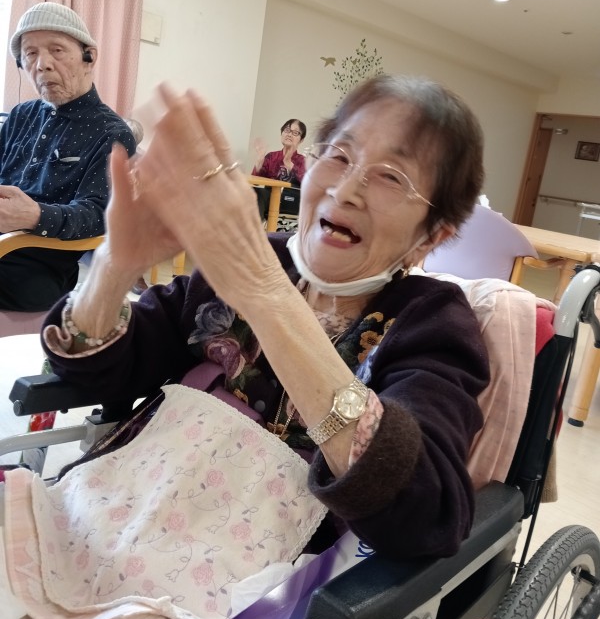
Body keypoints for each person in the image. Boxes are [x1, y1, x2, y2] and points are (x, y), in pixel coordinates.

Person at [38, 73, 488, 561]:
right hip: (115, 520)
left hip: (251, 587)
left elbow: (426, 512)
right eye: (339, 155)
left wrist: (264, 292)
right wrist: (115, 265)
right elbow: (99, 366)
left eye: (392, 177)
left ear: (431, 237)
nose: (346, 190)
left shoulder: (432, 321)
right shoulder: (262, 257)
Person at [0, 1, 136, 311]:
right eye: (30, 53)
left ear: (89, 57)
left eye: (57, 50)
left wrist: (35, 215)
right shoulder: (21, 115)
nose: (42, 64)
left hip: (38, 268)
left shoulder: (112, 134)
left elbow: (100, 215)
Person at [252, 118, 307, 225]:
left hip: (292, 199)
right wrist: (259, 161)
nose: (289, 134)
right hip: (270, 197)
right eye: (287, 130)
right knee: (252, 191)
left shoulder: (303, 161)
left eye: (295, 133)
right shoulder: (271, 156)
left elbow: (307, 183)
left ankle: (253, 229)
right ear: (281, 133)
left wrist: (289, 164)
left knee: (260, 196)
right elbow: (256, 180)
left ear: (301, 140)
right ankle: (251, 228)